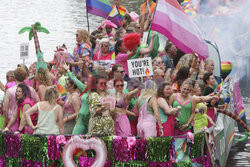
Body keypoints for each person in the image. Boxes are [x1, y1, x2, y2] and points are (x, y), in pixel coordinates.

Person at [3, 67, 39, 132]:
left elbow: (5, 109)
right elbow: (38, 103)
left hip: (14, 119)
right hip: (27, 120)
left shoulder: (9, 91)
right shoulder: (31, 89)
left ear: (15, 77)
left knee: (14, 139)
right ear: (25, 77)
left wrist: (5, 124)